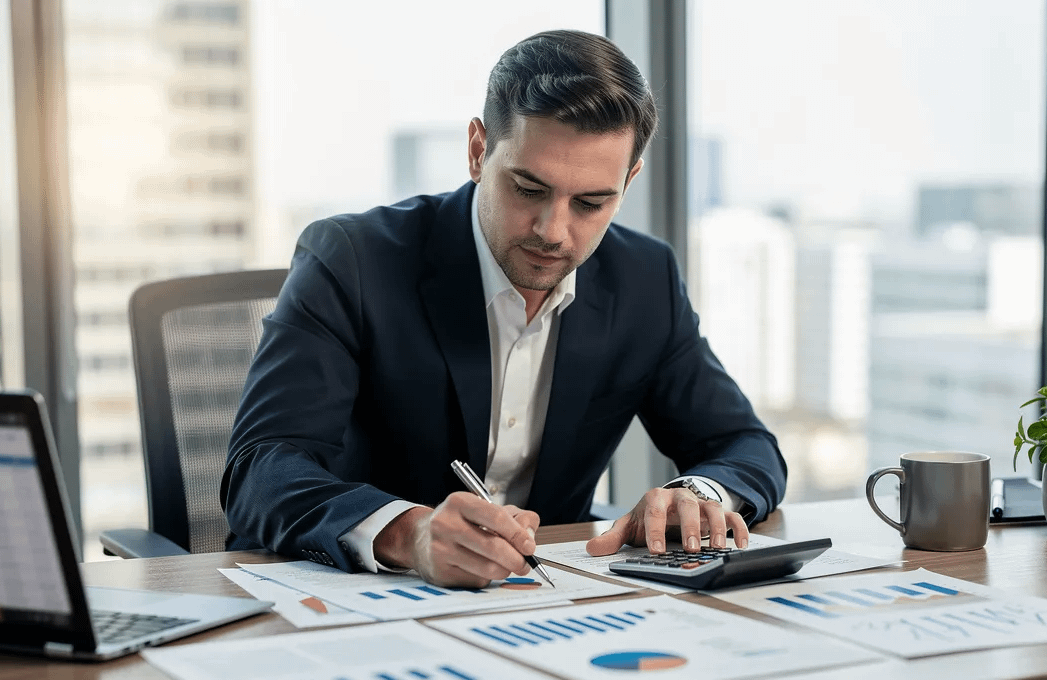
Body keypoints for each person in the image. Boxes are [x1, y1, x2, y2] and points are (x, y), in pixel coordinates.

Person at [222, 29, 787, 590]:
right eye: (527, 189)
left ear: (628, 181)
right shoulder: (353, 259)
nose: (553, 231)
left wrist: (698, 497)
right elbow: (260, 472)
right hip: (355, 603)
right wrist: (409, 534)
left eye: (591, 202)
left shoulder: (643, 279)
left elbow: (744, 445)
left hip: (548, 606)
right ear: (477, 151)